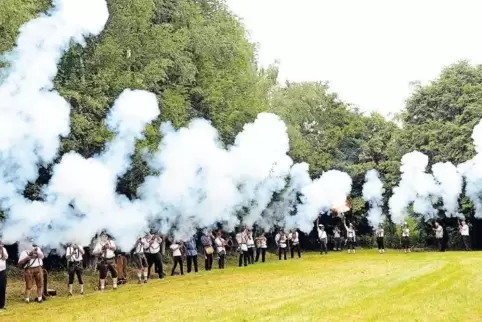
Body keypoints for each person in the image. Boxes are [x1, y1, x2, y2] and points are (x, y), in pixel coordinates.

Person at [0, 241, 8, 311]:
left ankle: (2, 305)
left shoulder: (3, 249)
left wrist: (1, 250)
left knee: (2, 288)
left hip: (2, 271)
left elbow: (5, 257)